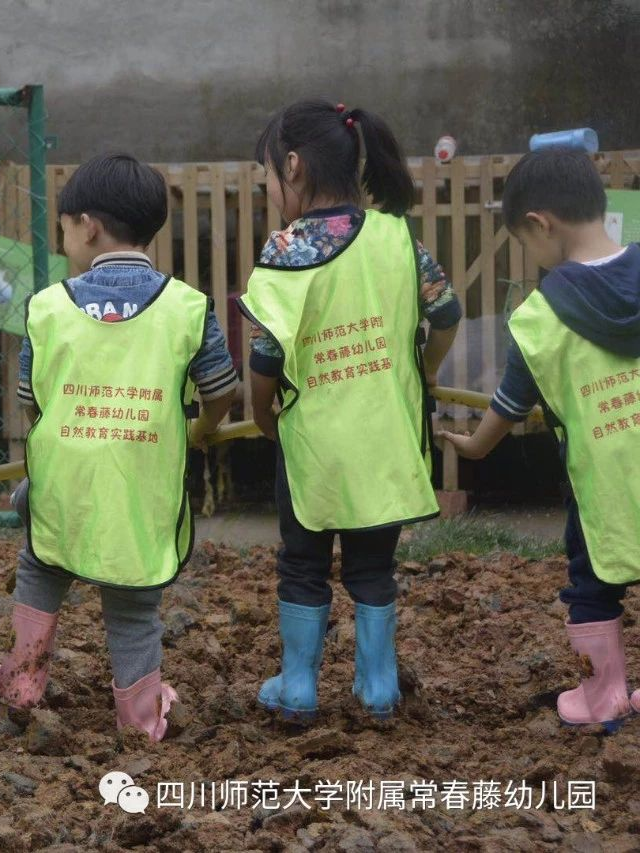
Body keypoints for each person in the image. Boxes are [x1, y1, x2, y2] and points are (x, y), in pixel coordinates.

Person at [0, 152, 239, 741]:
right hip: (140, 483)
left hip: (63, 480)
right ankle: (140, 712)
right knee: (133, 596)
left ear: (88, 226)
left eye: (64, 227)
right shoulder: (187, 308)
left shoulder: (46, 308)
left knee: (42, 563)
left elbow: (31, 401)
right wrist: (198, 432)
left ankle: (21, 682)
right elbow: (221, 391)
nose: (64, 239)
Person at [239, 100, 459, 722]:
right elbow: (445, 313)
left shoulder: (284, 252)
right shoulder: (396, 238)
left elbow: (264, 356)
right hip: (383, 444)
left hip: (311, 447)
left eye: (269, 180)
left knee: (302, 564)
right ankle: (379, 686)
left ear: (293, 167)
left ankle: (300, 687)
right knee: (373, 565)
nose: (270, 192)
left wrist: (263, 418)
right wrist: (427, 369)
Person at [442, 146, 640, 730]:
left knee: (592, 582)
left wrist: (476, 446)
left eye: (525, 244)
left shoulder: (540, 316)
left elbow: (510, 402)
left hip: (600, 483)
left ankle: (604, 699)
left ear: (539, 224)